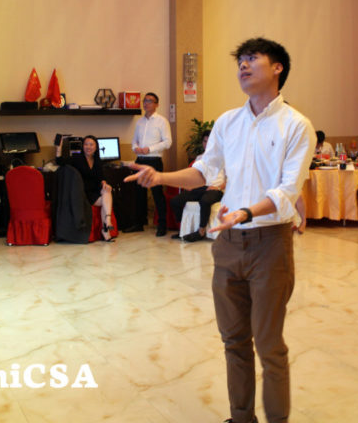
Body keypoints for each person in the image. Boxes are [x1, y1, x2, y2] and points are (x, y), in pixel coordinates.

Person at [125, 37, 315, 423]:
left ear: (277, 67)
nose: (243, 66)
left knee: (269, 345)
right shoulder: (228, 122)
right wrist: (160, 177)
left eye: (252, 59)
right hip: (228, 243)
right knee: (234, 341)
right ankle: (241, 418)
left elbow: (287, 192)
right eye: (240, 60)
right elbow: (204, 171)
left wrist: (245, 212)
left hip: (270, 245)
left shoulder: (297, 125)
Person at [127, 92, 172, 236]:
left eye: (150, 101)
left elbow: (168, 142)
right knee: (138, 193)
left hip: (154, 160)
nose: (146, 103)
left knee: (157, 193)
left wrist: (149, 149)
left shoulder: (162, 121)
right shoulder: (139, 122)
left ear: (156, 104)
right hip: (140, 160)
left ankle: (162, 225)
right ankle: (139, 223)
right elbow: (134, 140)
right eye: (145, 100)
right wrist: (135, 148)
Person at [55, 135, 114, 241]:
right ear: (83, 146)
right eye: (86, 144)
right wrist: (58, 148)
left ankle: (106, 224)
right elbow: (59, 161)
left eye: (91, 144)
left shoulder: (97, 160)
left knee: (107, 191)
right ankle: (106, 226)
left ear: (96, 147)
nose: (88, 147)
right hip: (83, 193)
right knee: (106, 199)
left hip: (95, 192)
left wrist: (105, 183)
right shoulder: (77, 158)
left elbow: (101, 177)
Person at [169, 130, 225, 242]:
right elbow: (194, 175)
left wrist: (219, 187)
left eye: (209, 141)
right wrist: (190, 185)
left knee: (205, 201)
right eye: (204, 141)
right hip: (200, 187)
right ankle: (183, 230)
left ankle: (201, 231)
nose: (206, 144)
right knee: (175, 201)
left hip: (215, 189)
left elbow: (230, 178)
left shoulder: (223, 157)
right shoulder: (199, 158)